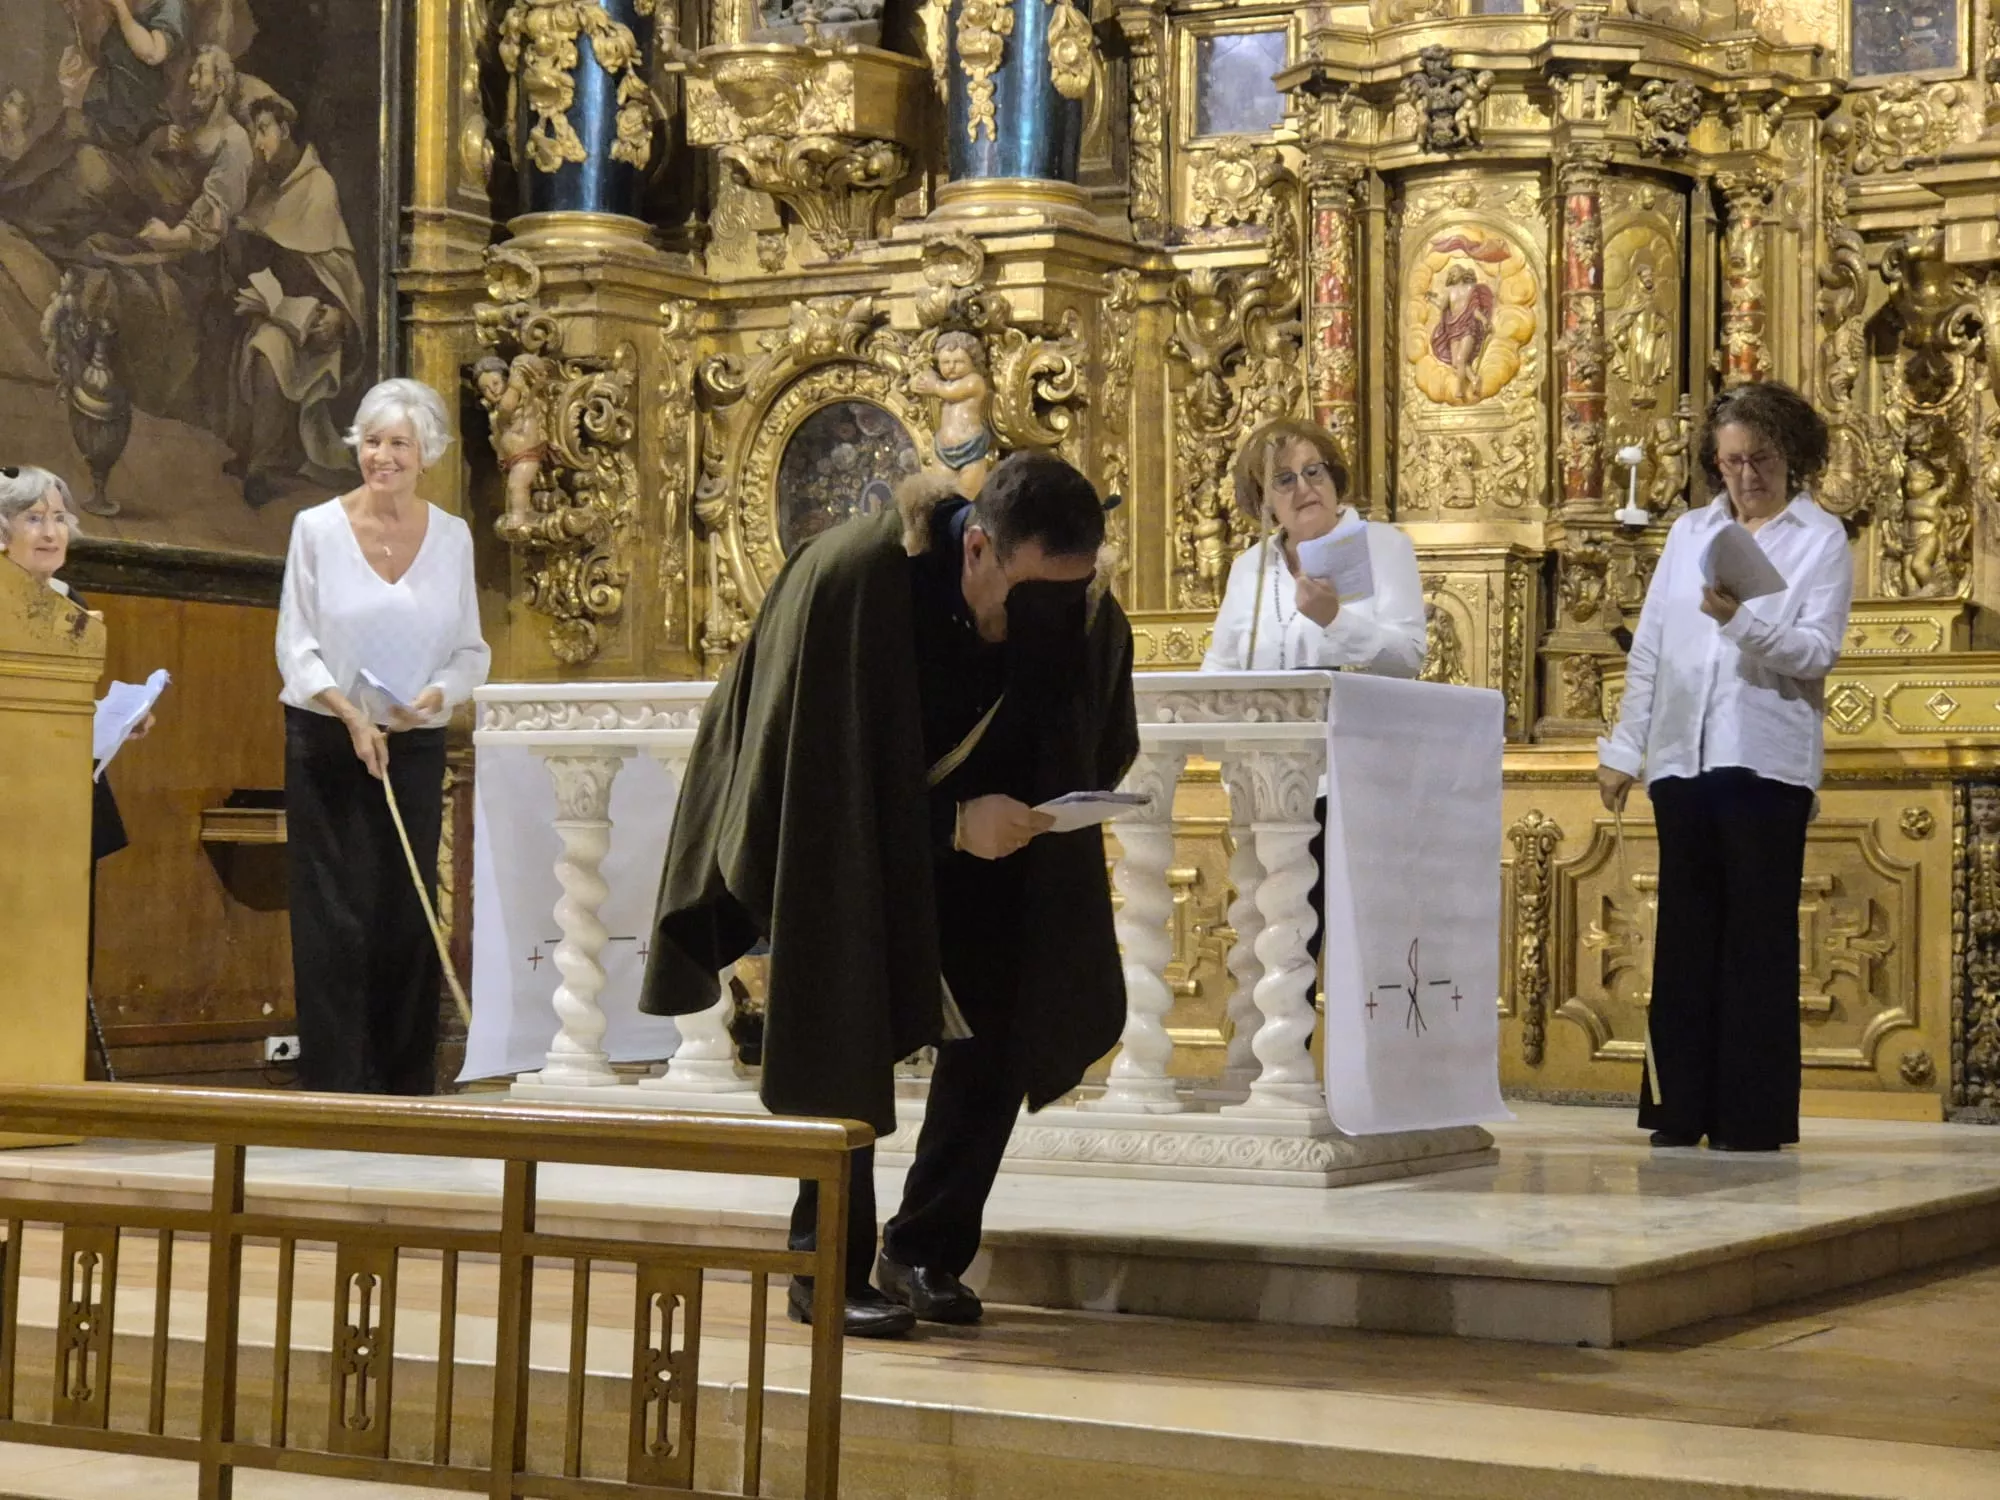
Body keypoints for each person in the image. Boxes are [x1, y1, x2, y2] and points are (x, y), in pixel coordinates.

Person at [642, 452, 1137, 1339]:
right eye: (1034, 597)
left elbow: (1093, 728)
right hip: (847, 849)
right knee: (840, 1015)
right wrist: (950, 823)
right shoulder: (855, 580)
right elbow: (807, 784)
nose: (1053, 617)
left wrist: (1050, 809)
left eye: (1074, 591)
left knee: (1007, 1015)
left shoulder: (1078, 606)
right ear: (977, 546)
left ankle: (923, 1249)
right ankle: (822, 1262)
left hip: (996, 846)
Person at [1597, 381, 1854, 1153]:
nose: (1746, 477)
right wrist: (1622, 750)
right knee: (1684, 937)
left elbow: (1816, 652)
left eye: (1762, 459)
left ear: (1793, 456)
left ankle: (1751, 1119)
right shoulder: (1689, 534)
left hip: (1764, 762)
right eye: (1731, 461)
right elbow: (1651, 650)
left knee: (1757, 944)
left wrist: (1740, 620)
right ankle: (1678, 1112)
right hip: (1682, 756)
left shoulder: (1820, 539)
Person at [276, 379, 490, 1096]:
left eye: (399, 443)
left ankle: (403, 1082)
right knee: (334, 913)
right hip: (328, 737)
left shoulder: (453, 536)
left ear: (425, 451)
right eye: (371, 441)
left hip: (414, 739)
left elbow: (471, 652)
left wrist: (438, 695)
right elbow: (296, 646)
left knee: (406, 908)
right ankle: (336, 1083)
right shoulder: (315, 528)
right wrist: (347, 713)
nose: (382, 456)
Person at [2, 463, 153, 1074]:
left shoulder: (77, 608)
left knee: (63, 949)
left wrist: (117, 719)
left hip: (64, 810)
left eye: (60, 518)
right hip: (11, 806)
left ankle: (56, 1082)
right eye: (33, 518)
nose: (50, 531)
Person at [1203, 418, 1426, 677]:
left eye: (1313, 472)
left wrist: (1335, 620)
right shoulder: (1249, 567)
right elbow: (1219, 668)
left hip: (1357, 715)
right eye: (1285, 480)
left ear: (1333, 477)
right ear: (1264, 500)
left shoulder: (1384, 546)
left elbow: (1408, 661)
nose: (1304, 488)